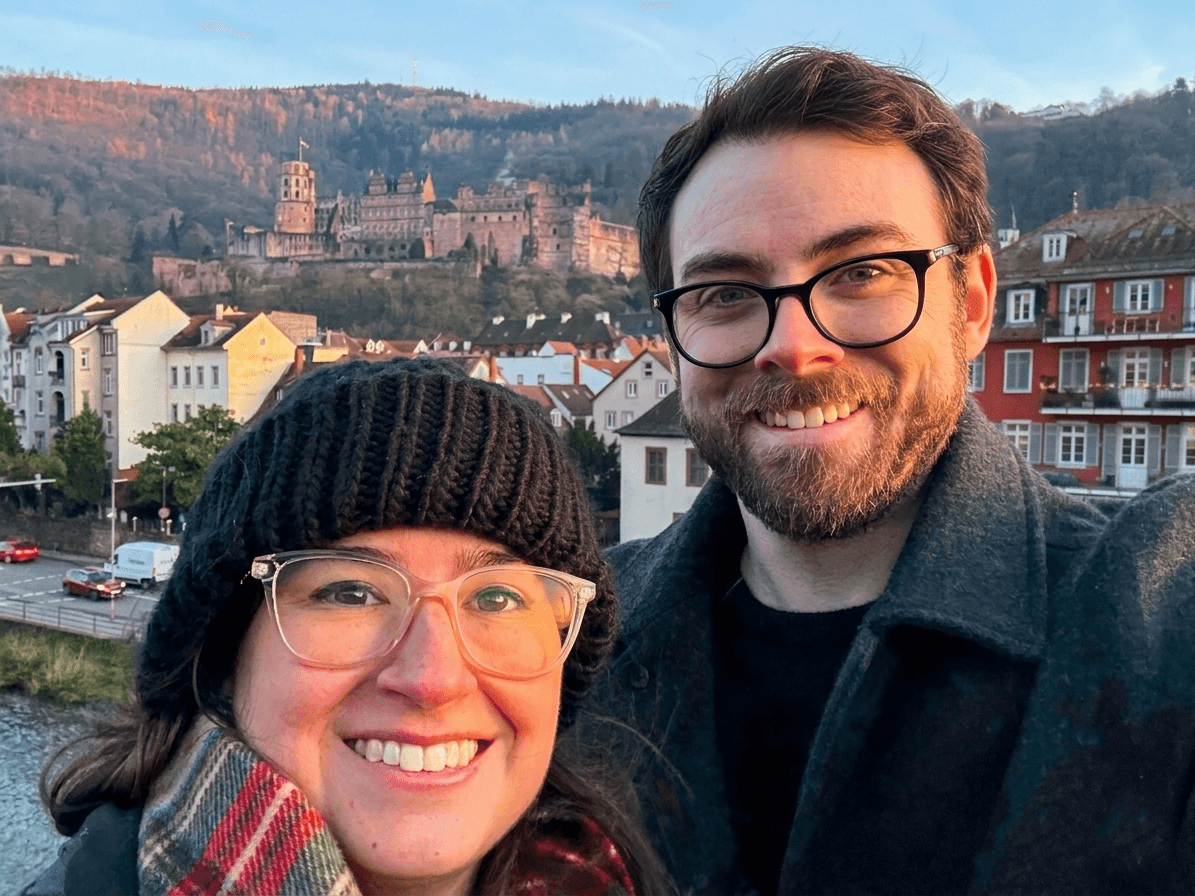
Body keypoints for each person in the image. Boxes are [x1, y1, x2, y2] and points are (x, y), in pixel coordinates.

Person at [573, 45, 1195, 895]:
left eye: (863, 272)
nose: (792, 348)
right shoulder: (566, 650)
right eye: (722, 292)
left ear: (971, 304)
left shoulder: (1158, 618)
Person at [27, 358, 670, 896]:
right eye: (351, 592)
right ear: (222, 654)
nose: (432, 678)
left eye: (498, 598)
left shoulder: (593, 874)